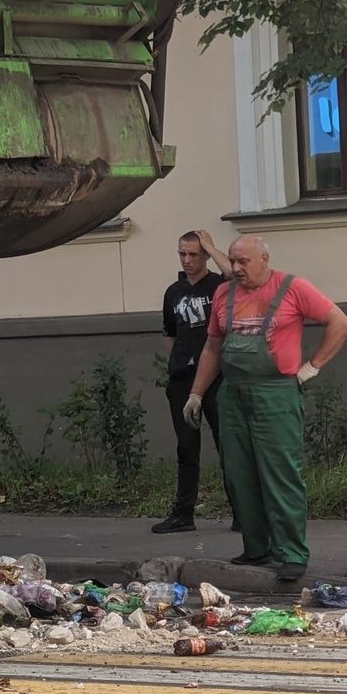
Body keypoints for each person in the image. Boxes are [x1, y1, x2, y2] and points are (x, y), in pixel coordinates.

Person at [187, 237, 347, 582]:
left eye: (243, 262)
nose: (235, 269)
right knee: (239, 473)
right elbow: (213, 348)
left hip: (276, 394)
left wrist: (311, 368)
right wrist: (196, 394)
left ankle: (291, 553)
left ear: (265, 260)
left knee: (280, 474)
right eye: (233, 261)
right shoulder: (224, 294)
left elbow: (340, 323)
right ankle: (256, 548)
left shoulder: (292, 288)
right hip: (233, 394)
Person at [154, 229, 234, 534]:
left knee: (227, 445)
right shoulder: (173, 292)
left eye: (194, 255)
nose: (187, 261)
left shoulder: (219, 286)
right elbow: (170, 333)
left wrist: (212, 247)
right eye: (182, 254)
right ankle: (183, 513)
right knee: (186, 449)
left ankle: (242, 512)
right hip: (182, 379)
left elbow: (233, 273)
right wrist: (179, 365)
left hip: (215, 378)